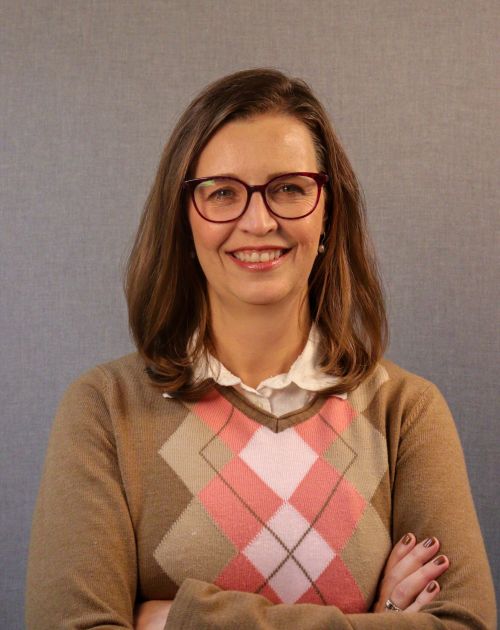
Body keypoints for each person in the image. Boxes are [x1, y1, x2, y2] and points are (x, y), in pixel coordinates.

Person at [26, 69, 496, 630]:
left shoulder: (406, 412)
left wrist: (182, 619)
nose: (258, 220)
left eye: (289, 188)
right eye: (222, 192)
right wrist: (382, 620)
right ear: (184, 222)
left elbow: (464, 624)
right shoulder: (105, 410)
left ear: (328, 214)